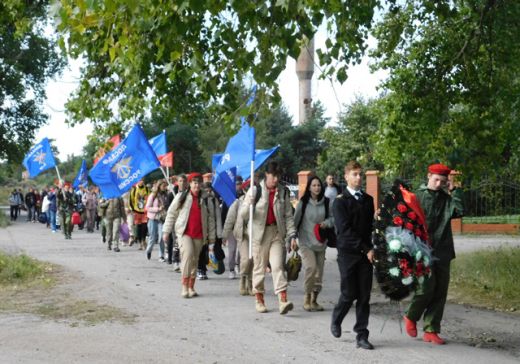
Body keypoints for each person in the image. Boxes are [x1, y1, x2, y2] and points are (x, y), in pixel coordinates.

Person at [403, 163, 464, 345]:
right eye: (436, 179)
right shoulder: (417, 197)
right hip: (422, 250)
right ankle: (411, 315)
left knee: (440, 291)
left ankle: (431, 329)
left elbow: (459, 211)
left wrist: (456, 191)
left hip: (443, 249)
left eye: (443, 181)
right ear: (428, 176)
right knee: (426, 288)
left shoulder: (447, 199)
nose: (439, 184)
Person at [240, 162, 297, 315]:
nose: (276, 179)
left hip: (277, 233)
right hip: (259, 235)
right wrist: (249, 204)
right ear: (267, 175)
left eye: (278, 176)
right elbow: (243, 215)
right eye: (274, 176)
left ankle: (283, 300)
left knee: (278, 265)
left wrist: (292, 234)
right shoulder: (255, 190)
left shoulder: (283, 192)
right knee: (259, 268)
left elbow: (288, 216)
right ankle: (259, 299)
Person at [330, 161, 375, 350]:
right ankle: (337, 319)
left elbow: (370, 227)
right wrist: (366, 249)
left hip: (366, 256)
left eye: (360, 174)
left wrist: (376, 245)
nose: (358, 178)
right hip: (348, 254)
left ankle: (362, 335)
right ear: (346, 176)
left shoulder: (368, 199)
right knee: (349, 294)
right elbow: (345, 230)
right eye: (354, 174)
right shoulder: (340, 201)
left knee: (364, 296)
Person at [162, 173, 216, 298]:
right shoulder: (182, 196)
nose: (197, 185)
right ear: (190, 184)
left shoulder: (205, 199)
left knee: (194, 260)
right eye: (194, 183)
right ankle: (184, 286)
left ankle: (191, 286)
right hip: (184, 233)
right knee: (187, 255)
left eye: (199, 183)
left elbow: (211, 219)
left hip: (199, 234)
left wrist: (212, 237)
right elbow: (171, 213)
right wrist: (166, 231)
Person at [293, 175, 334, 312]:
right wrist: (292, 238)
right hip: (305, 242)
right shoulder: (303, 203)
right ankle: (306, 298)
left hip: (321, 242)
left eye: (318, 185)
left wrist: (327, 223)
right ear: (309, 188)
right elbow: (294, 221)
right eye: (314, 185)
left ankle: (314, 300)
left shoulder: (327, 202)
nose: (316, 187)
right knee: (311, 267)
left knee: (319, 273)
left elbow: (333, 218)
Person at [222, 182, 252, 295]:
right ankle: (243, 279)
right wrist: (224, 235)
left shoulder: (260, 202)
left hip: (256, 235)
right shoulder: (238, 203)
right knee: (246, 259)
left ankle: (251, 282)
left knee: (254, 260)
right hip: (242, 234)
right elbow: (229, 220)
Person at [197, 182, 222, 280]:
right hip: (201, 230)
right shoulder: (199, 199)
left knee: (210, 251)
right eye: (206, 190)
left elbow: (218, 217)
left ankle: (206, 267)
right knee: (201, 251)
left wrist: (219, 233)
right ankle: (201, 269)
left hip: (212, 230)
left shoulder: (213, 200)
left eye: (210, 190)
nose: (208, 192)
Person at [167, 174, 187, 270]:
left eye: (184, 181)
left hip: (187, 221)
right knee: (176, 242)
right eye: (180, 181)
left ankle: (184, 260)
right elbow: (169, 210)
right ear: (177, 182)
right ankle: (175, 260)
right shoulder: (172, 194)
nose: (182, 183)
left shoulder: (189, 194)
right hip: (176, 222)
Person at [145, 180, 168, 261]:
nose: (165, 188)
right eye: (163, 186)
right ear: (159, 186)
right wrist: (157, 209)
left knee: (162, 238)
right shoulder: (153, 195)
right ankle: (148, 250)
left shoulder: (166, 195)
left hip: (162, 219)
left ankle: (161, 255)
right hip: (153, 218)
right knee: (153, 237)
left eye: (165, 186)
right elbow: (147, 208)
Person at [129, 180, 150, 250]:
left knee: (145, 227)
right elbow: (131, 200)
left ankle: (143, 240)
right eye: (140, 180)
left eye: (142, 180)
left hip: (145, 211)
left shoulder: (146, 189)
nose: (141, 182)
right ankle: (140, 241)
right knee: (139, 228)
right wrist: (133, 209)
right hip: (137, 211)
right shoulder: (134, 189)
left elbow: (149, 198)